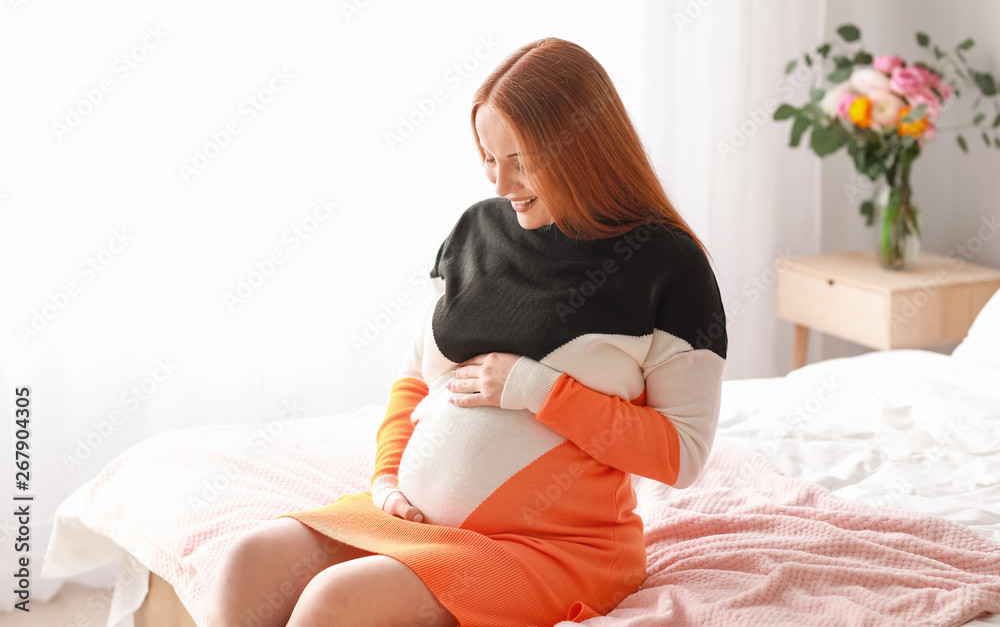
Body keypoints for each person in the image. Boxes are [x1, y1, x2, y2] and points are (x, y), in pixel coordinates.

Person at [206, 37, 727, 627]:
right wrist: (385, 478)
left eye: (521, 160)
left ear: (583, 146)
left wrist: (537, 389)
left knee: (335, 603)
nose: (500, 185)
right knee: (246, 561)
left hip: (554, 550)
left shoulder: (667, 266)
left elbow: (683, 455)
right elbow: (414, 378)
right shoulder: (477, 230)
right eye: (487, 156)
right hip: (417, 525)